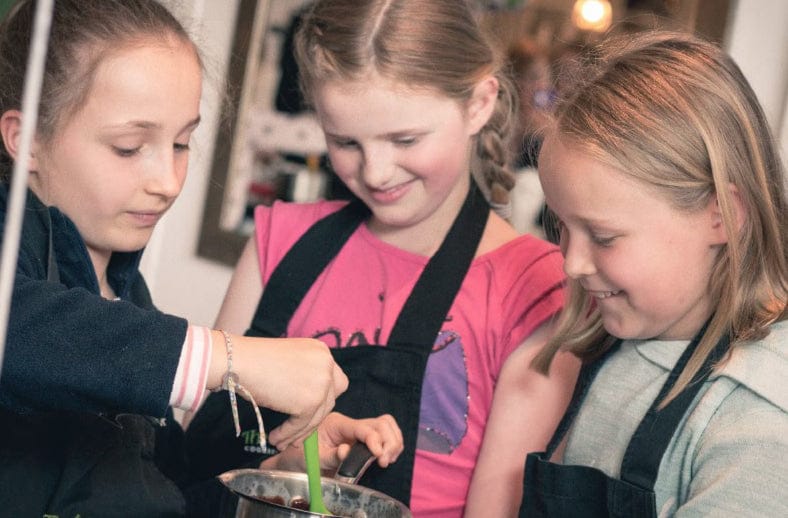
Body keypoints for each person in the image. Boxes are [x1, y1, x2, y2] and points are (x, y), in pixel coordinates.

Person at [185, 0, 580, 516]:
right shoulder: (281, 241)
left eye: (405, 139)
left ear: (479, 104)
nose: (374, 172)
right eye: (345, 141)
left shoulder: (534, 286)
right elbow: (197, 459)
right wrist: (284, 468)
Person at [0, 0, 370, 515]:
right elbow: (21, 331)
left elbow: (160, 489)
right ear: (28, 141)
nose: (167, 183)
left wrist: (269, 473)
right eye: (129, 147)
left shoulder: (128, 294)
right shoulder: (14, 248)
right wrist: (227, 358)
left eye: (180, 143)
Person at [520, 30, 788, 517]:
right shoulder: (618, 338)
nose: (572, 264)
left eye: (603, 237)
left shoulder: (762, 417)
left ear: (722, 214)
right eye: (562, 225)